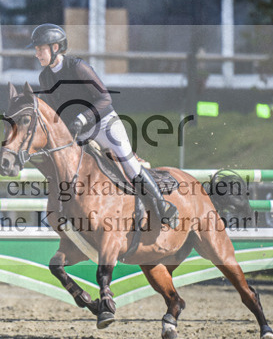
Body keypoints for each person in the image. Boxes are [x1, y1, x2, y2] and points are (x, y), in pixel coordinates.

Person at [28, 22, 178, 228]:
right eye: (36, 50)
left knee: (129, 165)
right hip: (78, 132)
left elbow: (105, 98)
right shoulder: (44, 77)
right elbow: (56, 111)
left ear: (55, 48)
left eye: (40, 49)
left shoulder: (77, 66)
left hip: (103, 124)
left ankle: (163, 206)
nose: (37, 54)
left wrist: (82, 118)